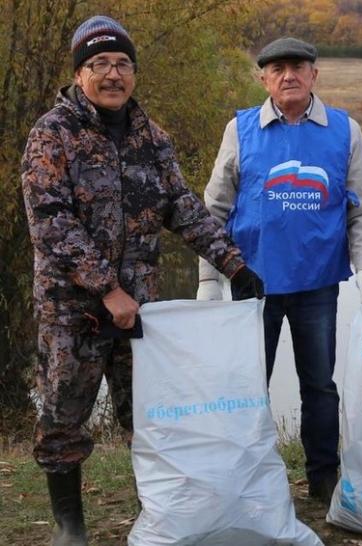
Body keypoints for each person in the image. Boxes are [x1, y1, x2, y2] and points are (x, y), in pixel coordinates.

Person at [20, 15, 263, 546]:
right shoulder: (51, 134)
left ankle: (158, 517)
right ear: (80, 73)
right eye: (100, 64)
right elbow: (52, 222)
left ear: (134, 73)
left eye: (123, 64)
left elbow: (182, 206)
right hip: (73, 313)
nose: (113, 74)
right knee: (63, 421)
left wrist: (233, 265)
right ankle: (70, 527)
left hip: (140, 314)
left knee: (150, 420)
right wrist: (107, 288)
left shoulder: (150, 136)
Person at [196, 37, 362, 503]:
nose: (288, 75)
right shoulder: (241, 129)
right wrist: (207, 277)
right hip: (250, 284)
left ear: (314, 74)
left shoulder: (344, 130)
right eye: (277, 68)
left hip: (317, 284)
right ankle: (248, 479)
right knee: (247, 387)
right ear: (263, 78)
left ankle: (323, 478)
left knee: (319, 384)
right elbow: (212, 211)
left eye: (297, 66)